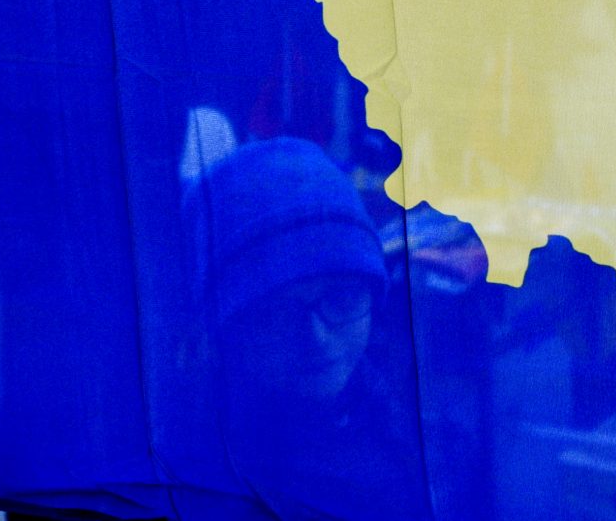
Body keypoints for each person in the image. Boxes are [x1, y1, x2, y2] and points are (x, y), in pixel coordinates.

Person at [173, 138, 426, 520]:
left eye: (341, 298)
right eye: (275, 314)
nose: (316, 337)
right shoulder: (206, 480)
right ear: (224, 328)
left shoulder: (393, 419)